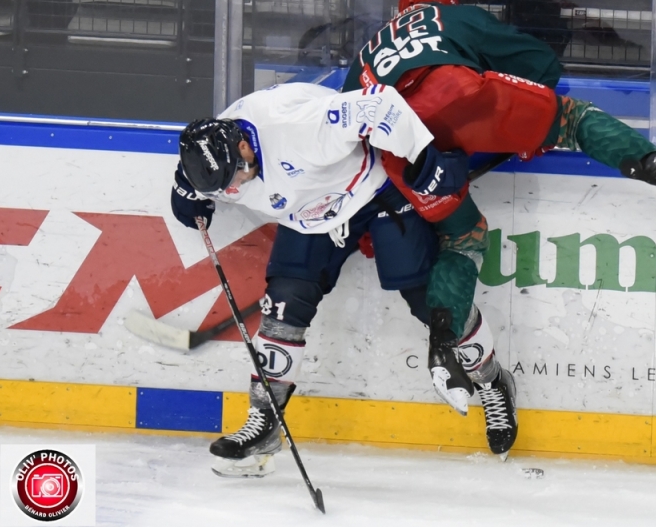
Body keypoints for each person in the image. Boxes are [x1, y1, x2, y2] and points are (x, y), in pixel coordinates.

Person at [341, 0, 656, 453]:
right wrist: (519, 115)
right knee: (570, 118)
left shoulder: (364, 54)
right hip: (459, 95)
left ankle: (444, 341)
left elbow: (349, 137)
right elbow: (540, 64)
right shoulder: (451, 18)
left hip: (403, 153)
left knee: (463, 237)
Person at [170, 82, 478, 476]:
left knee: (427, 297)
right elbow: (191, 177)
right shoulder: (210, 157)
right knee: (282, 303)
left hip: (374, 193)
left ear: (244, 147)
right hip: (309, 218)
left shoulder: (299, 127)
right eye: (222, 188)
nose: (232, 190)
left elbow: (379, 103)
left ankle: (491, 379)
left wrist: (424, 155)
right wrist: (187, 194)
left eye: (235, 178)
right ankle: (264, 423)